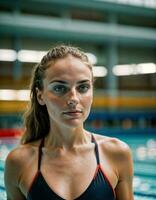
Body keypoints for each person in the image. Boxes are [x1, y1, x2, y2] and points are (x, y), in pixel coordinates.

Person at [4, 45, 134, 200]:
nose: (73, 98)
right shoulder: (19, 161)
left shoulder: (117, 154)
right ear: (40, 96)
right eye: (59, 88)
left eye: (83, 87)